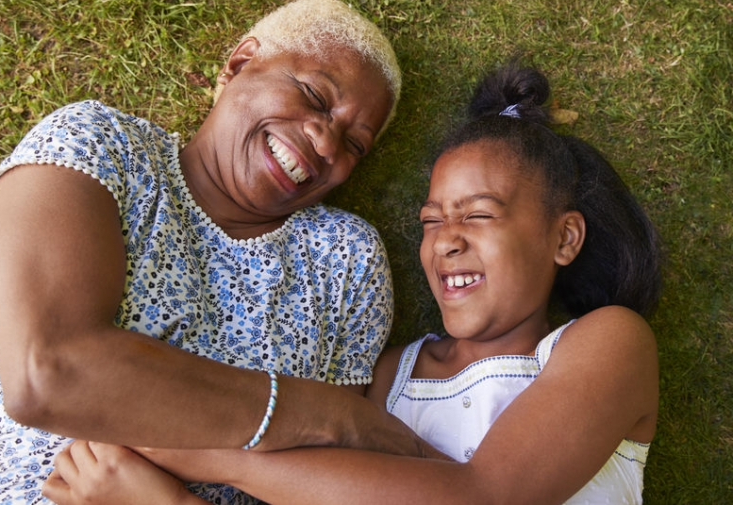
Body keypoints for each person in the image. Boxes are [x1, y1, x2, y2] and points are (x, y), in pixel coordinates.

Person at [42, 61, 662, 504]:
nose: (445, 239)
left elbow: (486, 495)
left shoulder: (608, 344)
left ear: (564, 238)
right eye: (430, 221)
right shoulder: (392, 377)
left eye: (477, 214)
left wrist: (195, 455)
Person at [0, 0, 440, 505]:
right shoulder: (100, 146)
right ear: (239, 64)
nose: (328, 144)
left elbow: (315, 486)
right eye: (314, 96)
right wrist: (329, 415)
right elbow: (49, 372)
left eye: (355, 144)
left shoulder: (347, 261)